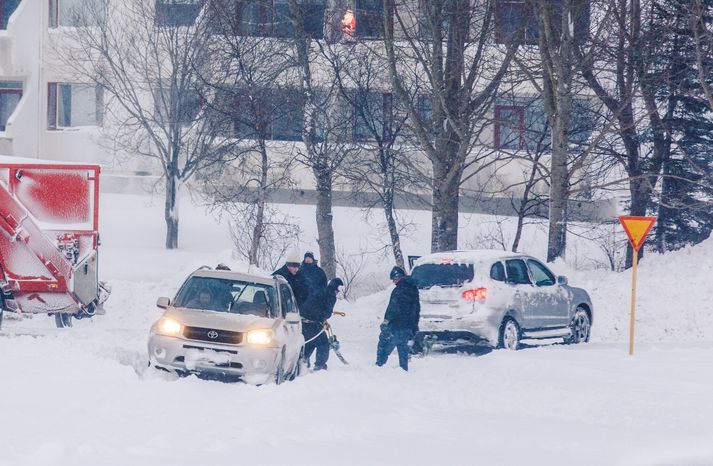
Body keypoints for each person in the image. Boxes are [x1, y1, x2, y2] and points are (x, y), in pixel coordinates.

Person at [376, 266, 420, 371]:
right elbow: (416, 309)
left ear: (398, 277)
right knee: (403, 349)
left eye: (394, 279)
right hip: (407, 326)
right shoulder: (413, 289)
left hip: (396, 325)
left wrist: (385, 322)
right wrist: (414, 326)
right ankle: (404, 370)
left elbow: (392, 308)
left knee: (384, 345)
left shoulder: (398, 291)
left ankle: (378, 368)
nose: (393, 282)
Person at [302, 277, 344, 371]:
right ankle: (320, 365)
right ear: (337, 288)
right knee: (323, 344)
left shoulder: (321, 289)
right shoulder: (331, 295)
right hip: (314, 322)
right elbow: (327, 313)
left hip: (303, 320)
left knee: (310, 341)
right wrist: (323, 318)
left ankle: (303, 361)